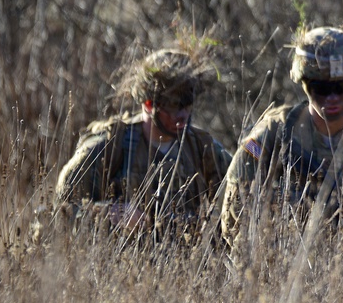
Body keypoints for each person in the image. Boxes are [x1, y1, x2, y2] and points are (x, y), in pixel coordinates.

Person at [220, 26, 343, 252]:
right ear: (305, 84)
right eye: (321, 89)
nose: (332, 98)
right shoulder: (273, 136)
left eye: (341, 87)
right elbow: (236, 214)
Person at [56, 48, 232, 236]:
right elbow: (62, 212)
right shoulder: (109, 147)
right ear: (148, 104)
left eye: (187, 105)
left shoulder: (202, 147)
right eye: (173, 106)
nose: (182, 115)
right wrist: (108, 214)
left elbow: (240, 191)